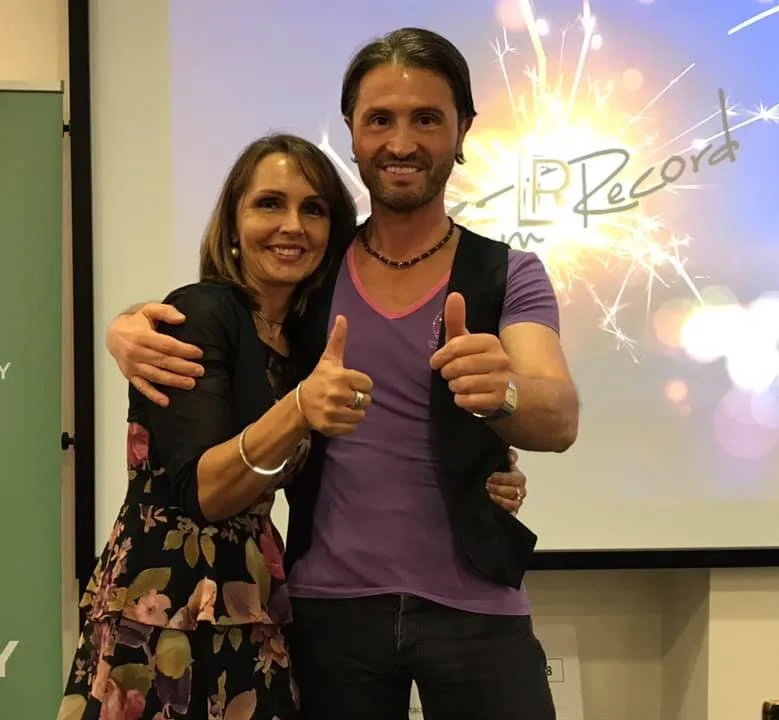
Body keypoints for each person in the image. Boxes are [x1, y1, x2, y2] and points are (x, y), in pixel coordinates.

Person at [103, 28, 579, 720]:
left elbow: (557, 416)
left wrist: (501, 394)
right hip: (327, 612)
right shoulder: (312, 273)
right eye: (380, 119)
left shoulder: (509, 274)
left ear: (463, 130)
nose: (401, 142)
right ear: (352, 131)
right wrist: (123, 327)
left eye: (426, 118)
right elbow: (229, 312)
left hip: (478, 605)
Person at [58, 133, 372, 720]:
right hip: (169, 602)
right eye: (269, 203)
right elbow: (205, 493)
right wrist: (299, 407)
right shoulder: (201, 312)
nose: (292, 226)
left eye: (313, 209)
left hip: (253, 597)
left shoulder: (304, 339)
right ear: (232, 223)